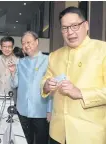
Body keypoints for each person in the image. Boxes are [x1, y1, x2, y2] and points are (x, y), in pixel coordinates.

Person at [41, 6, 106, 144]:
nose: (70, 32)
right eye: (65, 28)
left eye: (74, 26)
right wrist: (46, 86)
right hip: (57, 133)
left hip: (88, 135)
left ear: (86, 25)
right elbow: (45, 79)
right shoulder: (55, 55)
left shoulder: (102, 50)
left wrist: (80, 93)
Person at [9, 31, 52, 144]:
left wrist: (50, 110)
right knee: (23, 140)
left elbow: (52, 87)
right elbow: (14, 84)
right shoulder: (20, 62)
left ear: (37, 42)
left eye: (29, 42)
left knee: (41, 141)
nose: (26, 45)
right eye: (23, 43)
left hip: (41, 111)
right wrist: (13, 73)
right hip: (23, 110)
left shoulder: (48, 60)